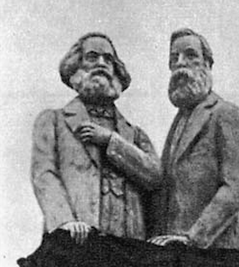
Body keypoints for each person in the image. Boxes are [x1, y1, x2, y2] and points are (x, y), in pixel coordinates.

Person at [32, 32, 161, 243]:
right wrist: (65, 222)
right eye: (92, 57)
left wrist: (111, 141)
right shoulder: (53, 121)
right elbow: (44, 175)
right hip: (78, 240)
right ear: (76, 66)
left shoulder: (135, 134)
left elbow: (155, 177)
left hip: (130, 249)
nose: (101, 64)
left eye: (108, 59)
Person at [150, 28, 239, 249]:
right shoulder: (177, 123)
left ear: (207, 64)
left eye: (190, 55)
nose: (180, 63)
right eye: (173, 59)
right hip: (171, 252)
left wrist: (193, 237)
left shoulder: (225, 113)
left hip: (211, 254)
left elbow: (235, 188)